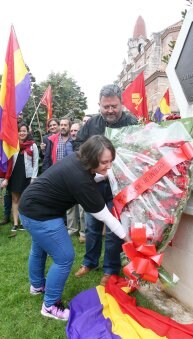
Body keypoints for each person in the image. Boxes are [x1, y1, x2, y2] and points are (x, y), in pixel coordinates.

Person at [19, 135, 129, 321]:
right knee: (64, 257)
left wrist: (104, 177)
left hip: (29, 207)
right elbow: (105, 216)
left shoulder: (78, 159)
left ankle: (37, 286)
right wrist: (127, 237)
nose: (108, 166)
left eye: (111, 161)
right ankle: (51, 306)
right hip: (41, 214)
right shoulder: (80, 177)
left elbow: (77, 183)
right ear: (92, 158)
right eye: (104, 162)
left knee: (39, 249)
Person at [73, 84, 138, 286]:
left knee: (112, 229)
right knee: (92, 226)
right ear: (99, 105)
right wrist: (90, 161)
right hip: (94, 185)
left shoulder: (132, 123)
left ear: (122, 104)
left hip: (119, 187)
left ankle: (111, 269)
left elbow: (140, 149)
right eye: (105, 106)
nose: (110, 110)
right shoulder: (91, 123)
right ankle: (90, 262)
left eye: (114, 106)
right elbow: (77, 146)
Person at [8, 123, 39, 236]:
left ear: (28, 132)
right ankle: (16, 223)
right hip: (15, 174)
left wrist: (33, 178)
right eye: (20, 131)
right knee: (15, 199)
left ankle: (24, 223)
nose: (22, 133)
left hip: (27, 176)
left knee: (25, 200)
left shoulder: (32, 146)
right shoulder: (13, 144)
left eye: (24, 131)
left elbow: (36, 162)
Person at [65, 122, 85, 242]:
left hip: (82, 180)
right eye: (71, 131)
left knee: (83, 208)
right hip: (70, 179)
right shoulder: (68, 144)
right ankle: (72, 230)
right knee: (70, 207)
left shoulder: (85, 145)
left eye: (75, 130)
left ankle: (83, 232)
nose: (73, 133)